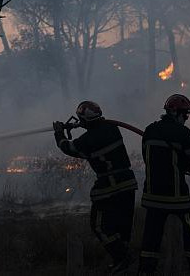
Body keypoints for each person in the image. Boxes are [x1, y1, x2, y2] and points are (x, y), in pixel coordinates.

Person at [54, 101, 137, 273]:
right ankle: (124, 264)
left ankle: (122, 257)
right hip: (128, 183)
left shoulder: (89, 139)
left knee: (99, 226)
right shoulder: (112, 128)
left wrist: (59, 133)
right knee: (122, 227)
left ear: (84, 120)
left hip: (110, 187)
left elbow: (68, 147)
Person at [137, 94, 190, 275]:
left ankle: (145, 270)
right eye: (185, 114)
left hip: (152, 195)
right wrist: (180, 166)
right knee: (189, 233)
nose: (186, 118)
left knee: (151, 237)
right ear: (176, 113)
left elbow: (147, 157)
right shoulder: (184, 133)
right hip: (176, 196)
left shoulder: (149, 130)